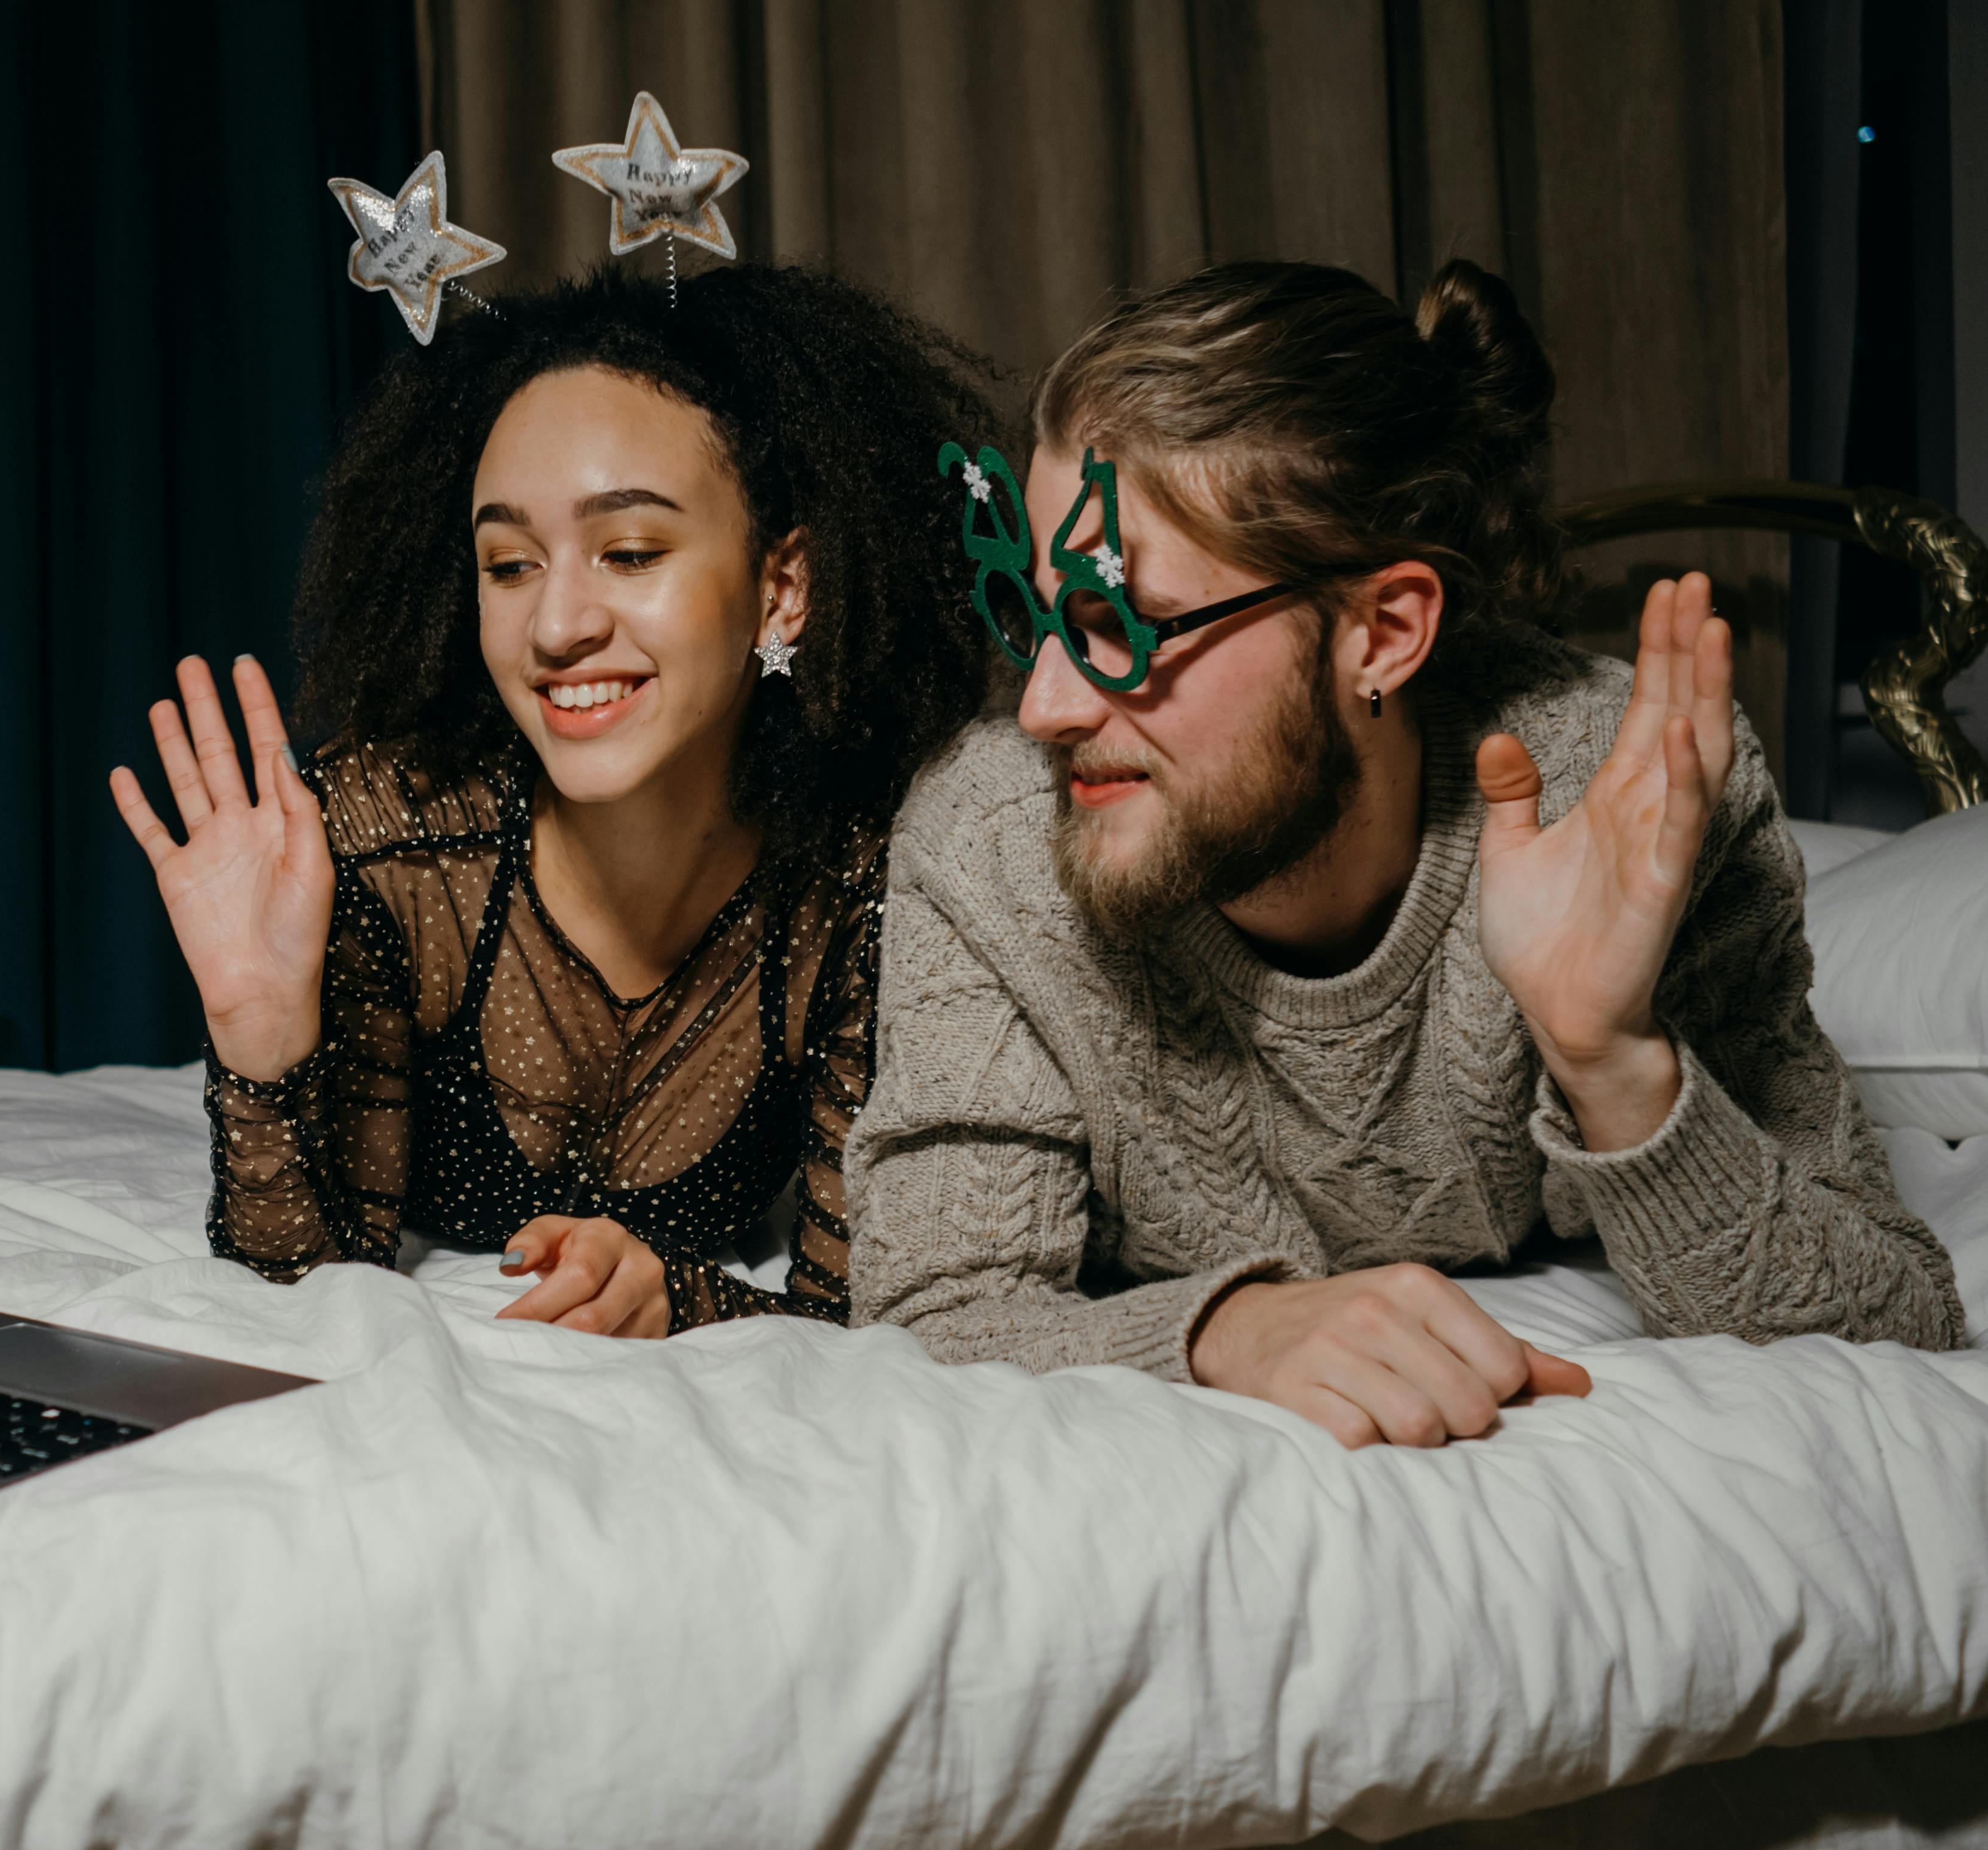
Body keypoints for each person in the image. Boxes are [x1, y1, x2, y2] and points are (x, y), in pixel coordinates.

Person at [847, 258, 1964, 1444]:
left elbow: (1900, 1333)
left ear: (1381, 631)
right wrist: (1234, 1329)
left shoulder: (1632, 807)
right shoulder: (989, 845)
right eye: (1030, 612)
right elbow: (934, 1309)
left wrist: (1615, 1061)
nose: (1043, 707)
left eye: (1115, 623)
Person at [114, 264, 999, 1338]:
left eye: (629, 552)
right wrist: (258, 1044)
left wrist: (686, 1298)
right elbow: (300, 1299)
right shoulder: (390, 843)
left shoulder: (863, 884)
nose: (556, 626)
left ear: (782, 587)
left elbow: (859, 1310)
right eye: (510, 564)